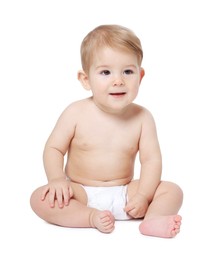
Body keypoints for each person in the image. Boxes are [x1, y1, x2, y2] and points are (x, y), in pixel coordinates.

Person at [30, 24, 183, 238]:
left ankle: (152, 221)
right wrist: (56, 180)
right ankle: (90, 217)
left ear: (140, 75)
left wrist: (142, 195)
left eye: (128, 71)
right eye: (105, 72)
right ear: (86, 79)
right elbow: (54, 148)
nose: (118, 80)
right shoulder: (75, 112)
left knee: (172, 191)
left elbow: (151, 161)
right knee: (40, 198)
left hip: (125, 192)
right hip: (80, 192)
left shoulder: (143, 117)